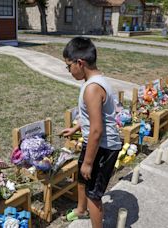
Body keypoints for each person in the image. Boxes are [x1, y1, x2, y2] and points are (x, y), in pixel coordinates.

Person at [61, 37, 122, 228]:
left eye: (68, 66)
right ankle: (81, 210)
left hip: (103, 147)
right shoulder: (95, 80)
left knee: (93, 195)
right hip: (95, 143)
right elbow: (91, 116)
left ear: (80, 63)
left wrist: (89, 162)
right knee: (82, 178)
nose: (69, 71)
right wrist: (76, 127)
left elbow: (97, 129)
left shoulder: (92, 88)